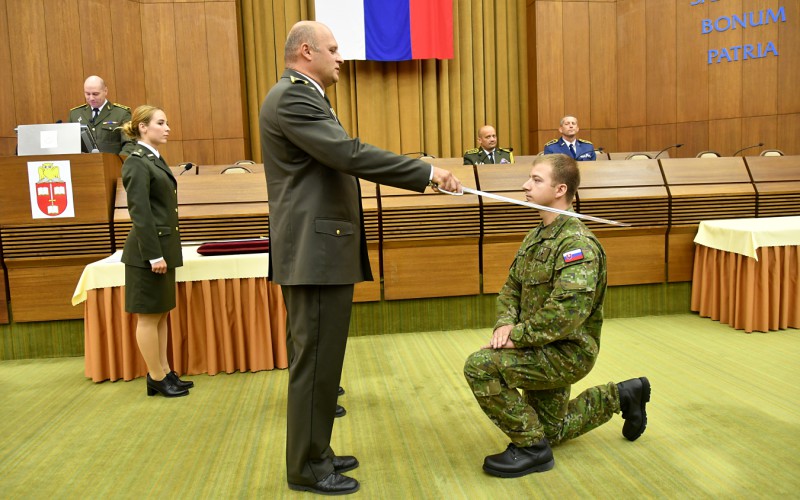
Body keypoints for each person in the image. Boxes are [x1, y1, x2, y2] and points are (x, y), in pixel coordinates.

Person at [260, 21, 461, 495]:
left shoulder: (303, 95)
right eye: (332, 49)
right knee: (315, 363)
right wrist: (426, 171)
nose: (341, 58)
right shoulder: (293, 97)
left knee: (323, 361)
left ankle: (317, 451)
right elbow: (347, 154)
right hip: (315, 253)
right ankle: (307, 467)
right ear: (305, 51)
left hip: (319, 250)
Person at [463, 154, 649, 478]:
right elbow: (511, 288)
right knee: (551, 430)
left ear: (560, 189)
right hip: (539, 346)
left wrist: (515, 337)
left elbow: (567, 313)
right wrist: (505, 324)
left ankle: (532, 449)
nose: (526, 185)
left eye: (536, 180)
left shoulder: (577, 244)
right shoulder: (536, 236)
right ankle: (622, 395)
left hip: (566, 352)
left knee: (480, 367)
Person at [120, 105, 193, 398]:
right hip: (146, 254)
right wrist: (153, 254)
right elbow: (140, 212)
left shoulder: (153, 158)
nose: (167, 128)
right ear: (142, 127)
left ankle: (164, 371)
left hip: (161, 248)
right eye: (160, 123)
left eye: (167, 123)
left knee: (161, 314)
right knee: (149, 317)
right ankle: (156, 377)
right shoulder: (136, 161)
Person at [69, 75, 135, 156]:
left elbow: (130, 144)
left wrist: (119, 161)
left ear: (105, 91)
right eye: (87, 94)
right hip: (84, 162)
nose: (91, 98)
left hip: (112, 163)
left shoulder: (121, 113)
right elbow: (69, 144)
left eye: (95, 94)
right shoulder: (75, 114)